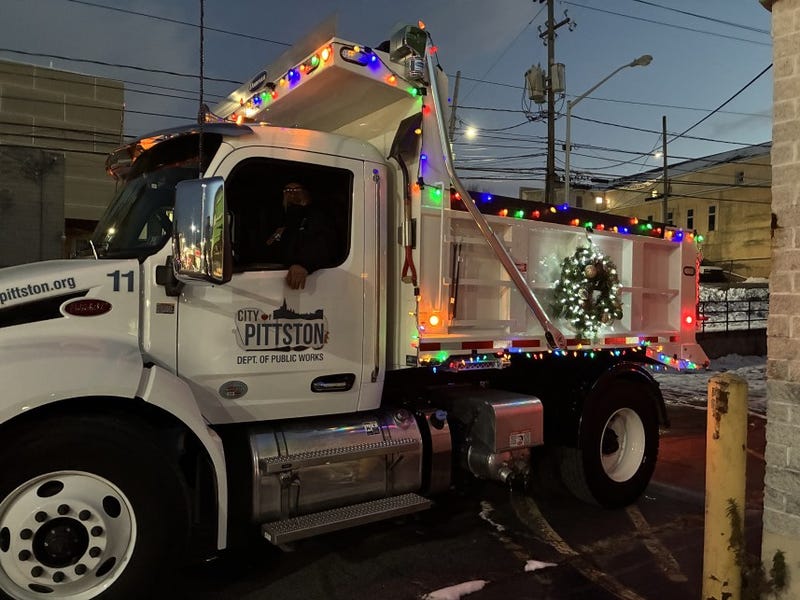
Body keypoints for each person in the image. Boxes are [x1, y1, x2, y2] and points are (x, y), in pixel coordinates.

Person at [266, 181, 338, 289]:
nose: (292, 194)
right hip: (274, 278)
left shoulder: (316, 216)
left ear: (306, 193)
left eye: (296, 190)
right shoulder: (279, 218)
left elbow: (322, 243)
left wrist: (303, 264)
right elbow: (268, 246)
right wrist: (276, 237)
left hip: (304, 283)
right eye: (288, 190)